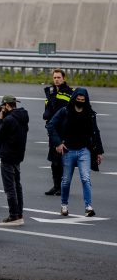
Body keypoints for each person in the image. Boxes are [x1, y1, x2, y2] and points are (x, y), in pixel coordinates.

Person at [47, 88, 104, 217]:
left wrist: (99, 152)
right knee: (66, 180)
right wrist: (58, 143)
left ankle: (88, 207)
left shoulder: (90, 113)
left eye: (83, 100)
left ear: (86, 100)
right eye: (78, 99)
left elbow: (96, 132)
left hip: (84, 150)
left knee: (85, 178)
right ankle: (64, 205)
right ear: (74, 99)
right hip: (68, 150)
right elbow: (51, 125)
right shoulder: (65, 111)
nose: (80, 101)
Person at [0, 95, 29, 226]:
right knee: (17, 185)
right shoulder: (22, 116)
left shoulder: (9, 120)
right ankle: (19, 214)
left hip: (7, 156)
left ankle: (13, 216)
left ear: (6, 105)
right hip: (18, 155)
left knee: (9, 187)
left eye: (3, 107)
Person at [42, 68, 74, 196]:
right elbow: (48, 109)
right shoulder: (50, 92)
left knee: (63, 161)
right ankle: (56, 186)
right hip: (52, 130)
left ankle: (63, 187)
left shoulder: (69, 93)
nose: (56, 79)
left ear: (63, 78)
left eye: (59, 77)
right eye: (54, 77)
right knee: (54, 161)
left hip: (64, 131)